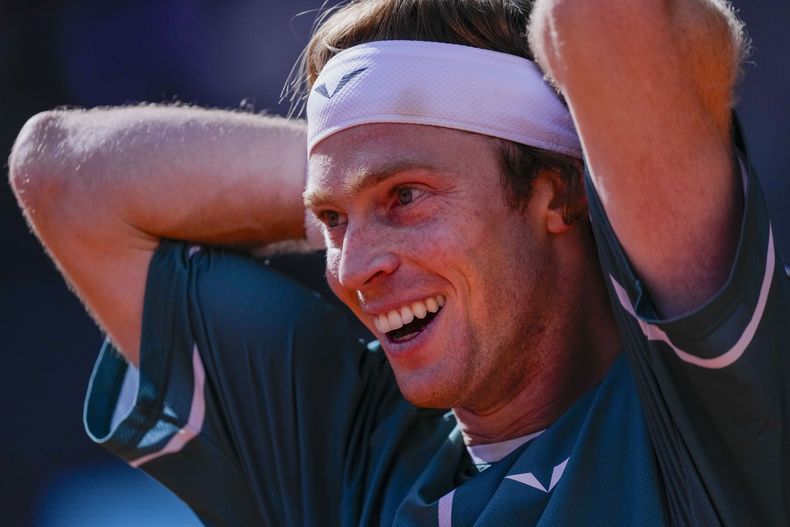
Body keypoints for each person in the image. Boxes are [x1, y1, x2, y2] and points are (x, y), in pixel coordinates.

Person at [9, 0, 789, 525]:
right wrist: (361, 158)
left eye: (408, 195)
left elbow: (603, 24)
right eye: (332, 220)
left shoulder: (698, 403)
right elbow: (59, 174)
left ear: (563, 194)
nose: (352, 268)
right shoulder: (355, 451)